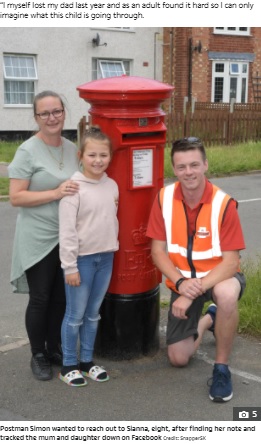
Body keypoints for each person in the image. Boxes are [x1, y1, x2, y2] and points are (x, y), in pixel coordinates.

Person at [146, 137, 246, 402]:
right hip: (185, 282)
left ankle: (221, 368)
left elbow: (230, 261)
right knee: (178, 358)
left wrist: (193, 291)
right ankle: (208, 320)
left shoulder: (225, 203)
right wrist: (180, 284)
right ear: (174, 169)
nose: (188, 172)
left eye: (193, 165)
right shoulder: (164, 198)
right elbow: (157, 251)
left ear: (205, 165)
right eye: (181, 167)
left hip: (219, 277)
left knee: (225, 295)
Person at [8, 90, 80, 381]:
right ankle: (37, 355)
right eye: (45, 113)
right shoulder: (27, 150)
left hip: (67, 235)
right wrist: (55, 192)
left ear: (64, 112)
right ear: (36, 117)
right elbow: (15, 197)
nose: (52, 118)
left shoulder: (72, 148)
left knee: (62, 298)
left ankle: (54, 348)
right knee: (40, 297)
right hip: (38, 236)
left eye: (57, 111)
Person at [58, 127, 119, 387]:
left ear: (110, 157)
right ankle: (68, 365)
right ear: (81, 155)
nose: (98, 160)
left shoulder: (112, 185)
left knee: (93, 314)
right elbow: (67, 231)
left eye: (103, 155)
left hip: (106, 257)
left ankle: (86, 362)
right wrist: (69, 266)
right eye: (92, 154)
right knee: (75, 315)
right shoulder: (72, 189)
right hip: (81, 260)